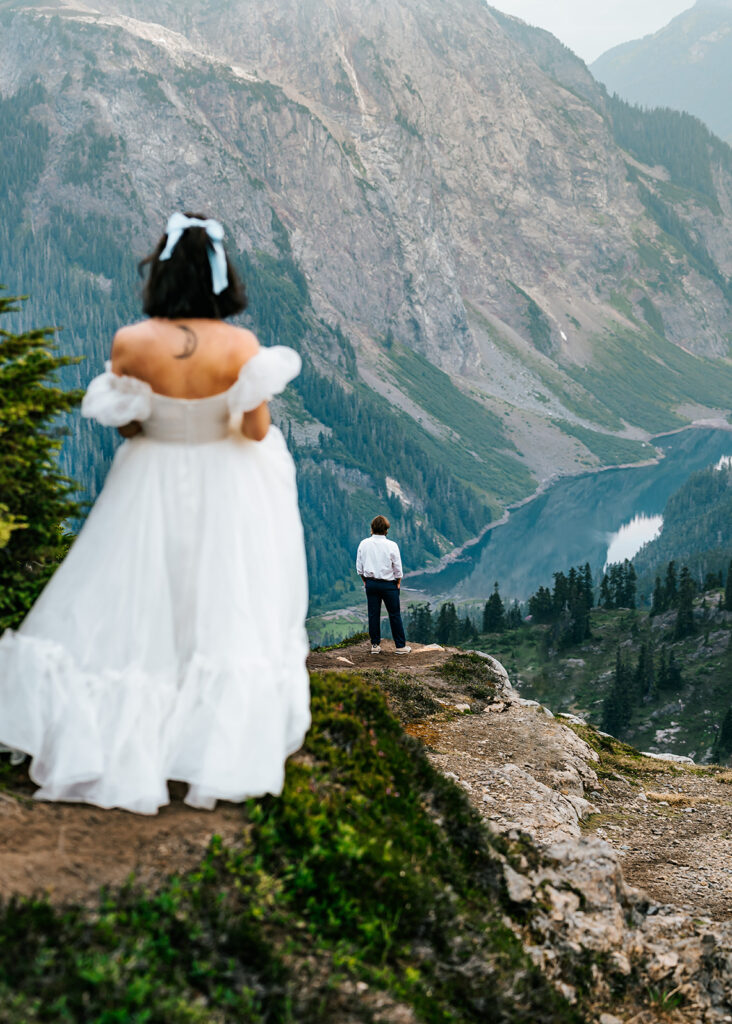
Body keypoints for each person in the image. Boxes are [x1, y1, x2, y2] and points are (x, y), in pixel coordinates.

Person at [0, 212, 310, 815]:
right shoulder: (240, 347)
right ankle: (207, 744)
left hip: (150, 478)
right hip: (227, 483)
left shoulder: (130, 342)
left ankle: (121, 739)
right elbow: (253, 429)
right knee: (221, 600)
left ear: (161, 274)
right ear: (221, 278)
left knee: (137, 600)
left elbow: (132, 423)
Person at [356, 515, 411, 655]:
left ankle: (375, 645)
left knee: (373, 614)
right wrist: (398, 581)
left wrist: (365, 580)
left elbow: (359, 567)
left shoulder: (364, 544)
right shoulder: (392, 545)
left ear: (372, 528)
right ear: (387, 529)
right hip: (388, 585)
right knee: (394, 614)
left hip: (371, 583)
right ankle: (400, 647)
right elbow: (397, 568)